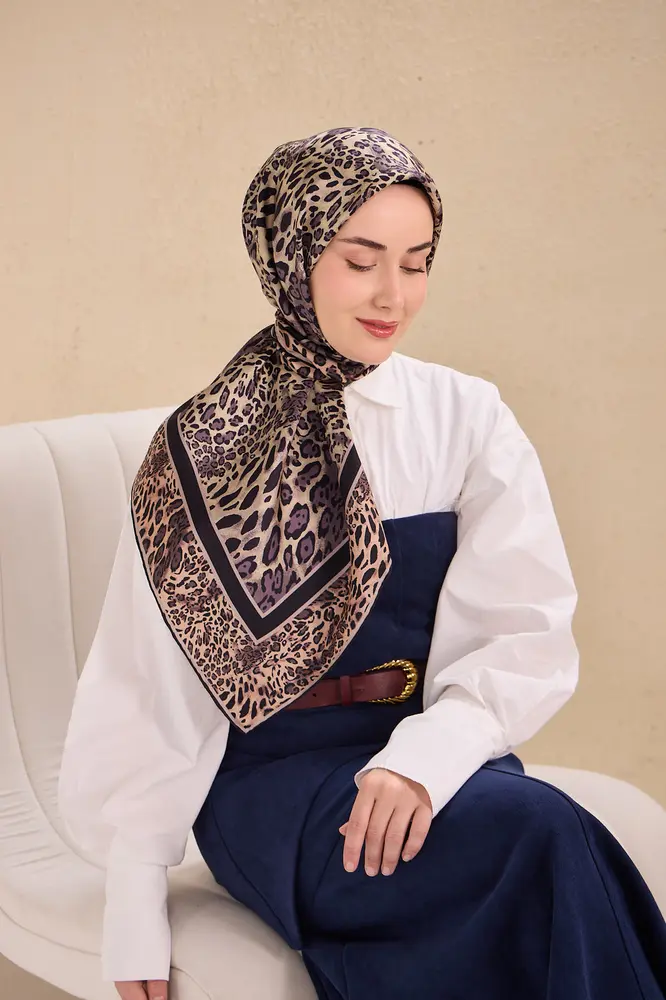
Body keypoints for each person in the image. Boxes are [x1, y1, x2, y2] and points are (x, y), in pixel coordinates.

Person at [58, 126, 666, 1000]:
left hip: (433, 752)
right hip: (273, 791)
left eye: (417, 264)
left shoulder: (467, 417)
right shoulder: (201, 446)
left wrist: (423, 759)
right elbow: (148, 682)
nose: (393, 296)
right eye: (360, 260)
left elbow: (523, 632)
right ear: (293, 257)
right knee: (541, 836)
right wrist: (133, 900)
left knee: (537, 831)